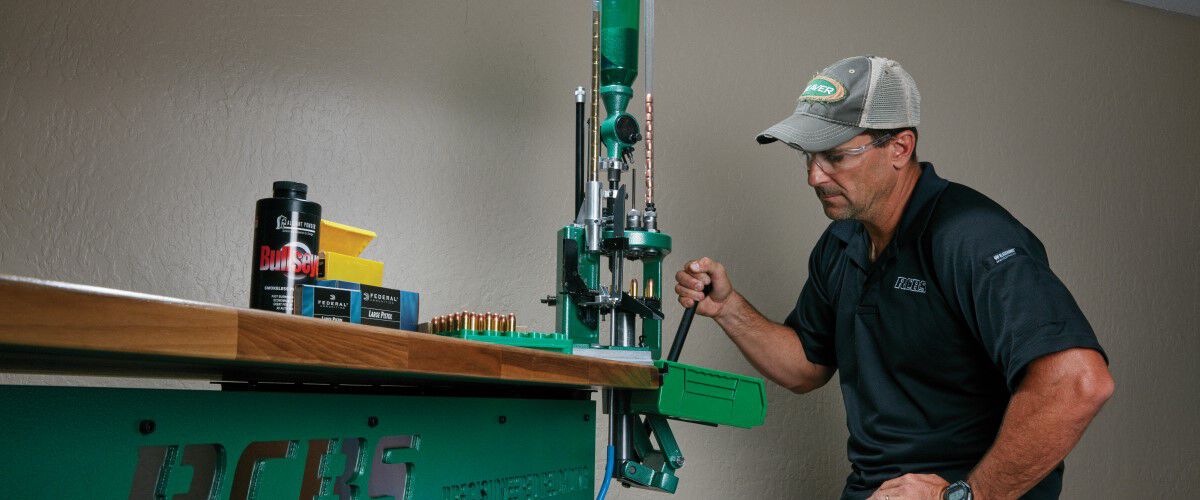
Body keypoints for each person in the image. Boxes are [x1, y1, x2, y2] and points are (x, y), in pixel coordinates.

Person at [674, 56, 1113, 500]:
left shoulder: (970, 237)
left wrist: (966, 496)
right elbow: (806, 367)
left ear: (900, 148)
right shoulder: (842, 241)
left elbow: (1077, 382)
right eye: (807, 157)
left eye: (836, 156)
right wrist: (729, 310)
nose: (813, 176)